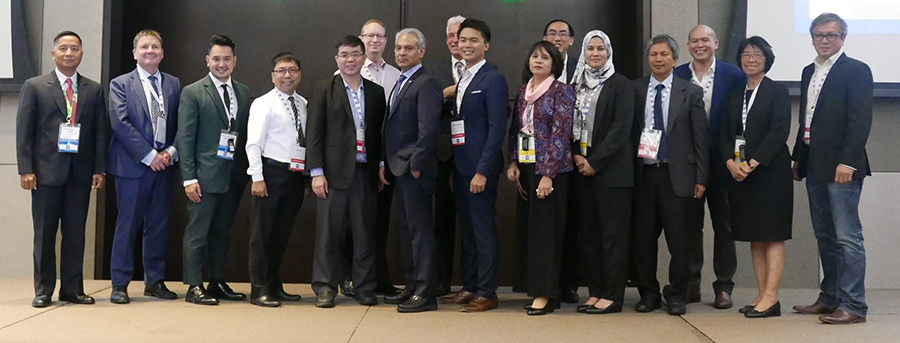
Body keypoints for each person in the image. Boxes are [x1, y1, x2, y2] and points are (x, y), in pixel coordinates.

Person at [791, 13, 873, 325]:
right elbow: (806, 121)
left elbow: (860, 119)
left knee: (847, 238)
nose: (825, 40)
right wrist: (800, 159)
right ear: (812, 38)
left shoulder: (856, 70)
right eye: (819, 35)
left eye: (832, 35)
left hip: (843, 167)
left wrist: (848, 162)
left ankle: (854, 305)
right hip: (814, 165)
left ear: (843, 38)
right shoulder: (808, 71)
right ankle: (830, 298)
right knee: (825, 236)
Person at [17, 31, 107, 308]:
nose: (69, 53)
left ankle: (72, 288)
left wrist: (100, 169)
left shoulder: (93, 89)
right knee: (44, 234)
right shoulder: (35, 86)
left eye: (75, 49)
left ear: (82, 54)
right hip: (44, 174)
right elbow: (25, 130)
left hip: (80, 173)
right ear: (54, 53)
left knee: (76, 233)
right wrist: (26, 169)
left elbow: (100, 133)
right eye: (64, 49)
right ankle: (43, 289)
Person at [632, 34, 708, 316]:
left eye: (665, 54)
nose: (659, 59)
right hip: (644, 175)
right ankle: (648, 293)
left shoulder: (690, 92)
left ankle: (677, 294)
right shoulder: (635, 89)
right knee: (643, 241)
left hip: (678, 176)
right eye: (654, 54)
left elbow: (701, 139)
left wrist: (702, 178)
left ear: (675, 59)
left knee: (680, 242)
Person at [308, 35, 386, 308]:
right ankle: (325, 287)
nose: (350, 59)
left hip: (365, 173)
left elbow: (379, 134)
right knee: (329, 235)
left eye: (355, 54)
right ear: (336, 59)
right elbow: (314, 133)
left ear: (364, 58)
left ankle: (365, 287)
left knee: (365, 234)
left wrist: (379, 165)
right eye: (344, 54)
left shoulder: (376, 92)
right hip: (332, 174)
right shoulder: (323, 89)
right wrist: (316, 172)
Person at [719, 36, 792, 319]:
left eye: (757, 54)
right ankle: (762, 294)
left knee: (772, 235)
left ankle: (772, 297)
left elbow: (779, 132)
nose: (750, 59)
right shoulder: (736, 92)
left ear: (767, 60)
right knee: (755, 236)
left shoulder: (777, 91)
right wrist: (730, 161)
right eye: (746, 54)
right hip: (741, 174)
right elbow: (725, 132)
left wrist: (752, 162)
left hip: (770, 172)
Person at [439, 18, 509, 313]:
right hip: (461, 165)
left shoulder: (492, 78)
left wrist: (482, 169)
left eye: (473, 41)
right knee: (467, 229)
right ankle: (470, 286)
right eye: (462, 40)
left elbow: (496, 129)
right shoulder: (464, 78)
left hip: (481, 168)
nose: (466, 45)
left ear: (486, 45)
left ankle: (487, 291)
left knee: (482, 229)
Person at [674, 25, 746, 309]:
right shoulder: (677, 74)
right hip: (688, 163)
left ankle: (724, 286)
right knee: (689, 227)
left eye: (705, 40)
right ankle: (691, 284)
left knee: (724, 226)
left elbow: (742, 119)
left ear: (716, 43)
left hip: (723, 164)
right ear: (688, 45)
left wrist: (738, 157)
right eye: (694, 40)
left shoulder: (734, 75)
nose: (700, 45)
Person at [176, 34, 251, 305]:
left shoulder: (242, 91)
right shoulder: (193, 92)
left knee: (221, 231)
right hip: (203, 177)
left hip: (233, 176)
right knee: (198, 232)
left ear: (235, 61)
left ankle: (216, 281)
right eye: (216, 59)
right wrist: (189, 178)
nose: (222, 64)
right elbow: (185, 138)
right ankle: (194, 285)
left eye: (227, 59)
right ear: (207, 61)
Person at [107, 29, 179, 304]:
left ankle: (154, 281)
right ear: (135, 53)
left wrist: (170, 152)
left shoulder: (173, 83)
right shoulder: (121, 84)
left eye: (156, 47)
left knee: (158, 225)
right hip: (133, 167)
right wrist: (150, 156)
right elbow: (120, 123)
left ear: (162, 53)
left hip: (165, 164)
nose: (150, 51)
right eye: (145, 47)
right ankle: (120, 284)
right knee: (128, 225)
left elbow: (179, 124)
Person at [569, 30, 636, 315]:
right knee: (589, 236)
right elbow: (568, 125)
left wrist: (594, 161)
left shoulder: (621, 85)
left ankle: (612, 295)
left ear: (609, 53)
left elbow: (621, 131)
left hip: (612, 173)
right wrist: (576, 155)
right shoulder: (576, 85)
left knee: (612, 237)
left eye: (601, 49)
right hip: (582, 171)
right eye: (590, 49)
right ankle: (595, 292)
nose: (595, 54)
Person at [507, 41, 575, 316]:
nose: (538, 60)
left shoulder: (562, 91)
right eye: (535, 55)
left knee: (546, 233)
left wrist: (548, 175)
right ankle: (538, 288)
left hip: (552, 171)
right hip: (526, 167)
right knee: (531, 231)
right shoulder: (525, 90)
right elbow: (516, 128)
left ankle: (547, 293)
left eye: (545, 57)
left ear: (554, 64)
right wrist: (513, 160)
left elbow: (561, 135)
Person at [380, 28, 443, 313]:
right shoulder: (401, 81)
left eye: (408, 48)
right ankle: (412, 285)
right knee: (406, 231)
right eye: (398, 48)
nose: (402, 53)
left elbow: (428, 130)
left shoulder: (426, 82)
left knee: (420, 232)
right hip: (397, 167)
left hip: (414, 169)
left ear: (422, 52)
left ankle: (426, 292)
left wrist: (416, 165)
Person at [244, 52, 309, 308]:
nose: (287, 75)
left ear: (300, 74)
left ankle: (273, 284)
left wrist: (304, 178)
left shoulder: (303, 103)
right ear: (273, 75)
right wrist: (257, 177)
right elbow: (253, 144)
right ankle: (258, 288)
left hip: (294, 176)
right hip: (270, 174)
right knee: (262, 235)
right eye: (281, 70)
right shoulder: (263, 103)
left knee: (281, 234)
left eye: (292, 70)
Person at [349, 19, 404, 297]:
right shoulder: (346, 72)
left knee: (379, 222)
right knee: (352, 223)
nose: (374, 40)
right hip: (353, 162)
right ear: (361, 39)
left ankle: (379, 278)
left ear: (386, 41)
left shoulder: (396, 75)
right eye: (369, 35)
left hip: (385, 159)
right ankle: (350, 278)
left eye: (380, 36)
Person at [426, 14, 465, 297]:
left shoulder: (485, 70)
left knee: (473, 221)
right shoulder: (435, 69)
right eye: (451, 36)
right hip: (441, 155)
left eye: (461, 35)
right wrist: (448, 94)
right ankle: (441, 280)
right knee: (441, 220)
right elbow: (425, 107)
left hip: (471, 155)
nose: (455, 40)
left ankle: (472, 282)